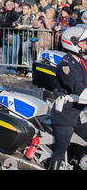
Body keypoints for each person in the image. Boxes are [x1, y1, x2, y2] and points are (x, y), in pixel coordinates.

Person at [49, 26, 87, 169]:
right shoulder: (66, 64)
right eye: (84, 42)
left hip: (79, 112)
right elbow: (76, 86)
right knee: (61, 148)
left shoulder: (81, 62)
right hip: (65, 113)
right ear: (73, 43)